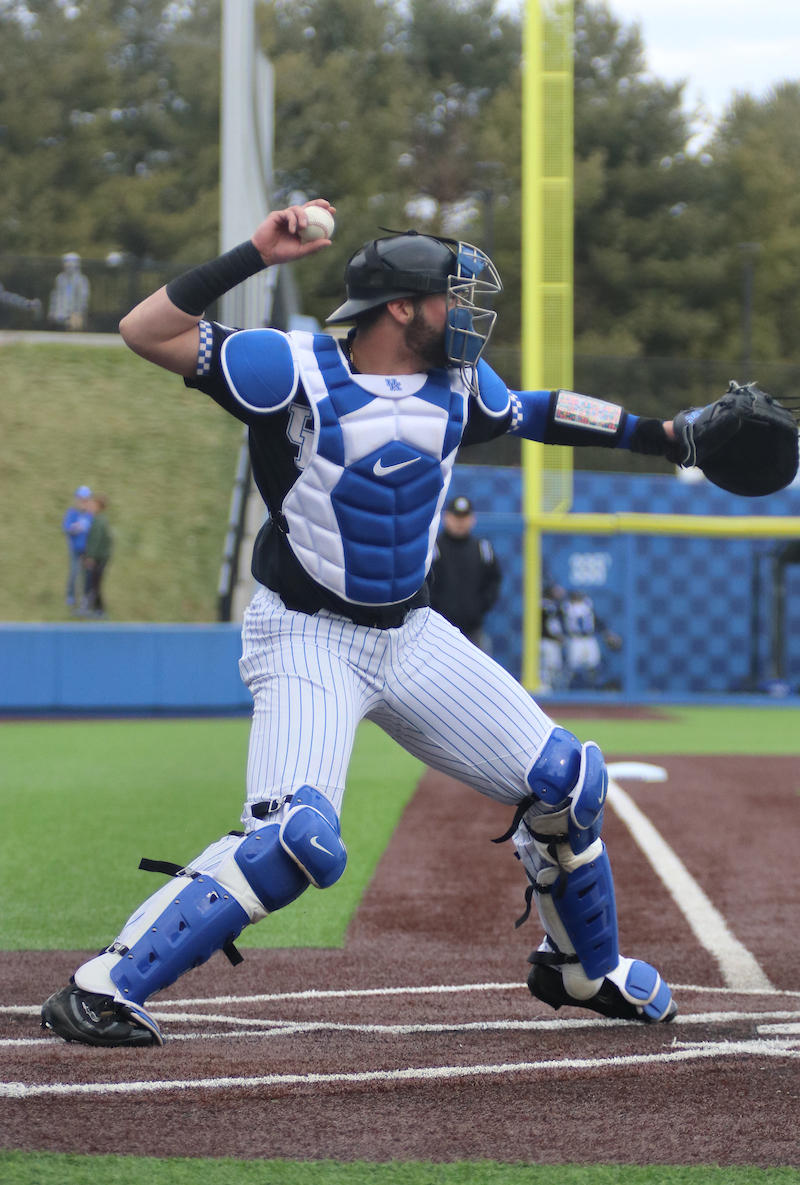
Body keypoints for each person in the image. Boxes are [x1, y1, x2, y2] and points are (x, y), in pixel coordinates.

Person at [42, 200, 689, 1049]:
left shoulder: (459, 385)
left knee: (569, 783)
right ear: (400, 309)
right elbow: (144, 329)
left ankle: (582, 970)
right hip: (308, 635)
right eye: (450, 298)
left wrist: (666, 436)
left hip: (410, 634)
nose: (465, 314)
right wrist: (256, 254)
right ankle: (102, 987)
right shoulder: (292, 368)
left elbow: (541, 410)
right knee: (294, 842)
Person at [428, 494, 502, 650]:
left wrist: (478, 608)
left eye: (465, 516)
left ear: (472, 519)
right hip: (437, 631)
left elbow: (494, 581)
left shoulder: (482, 549)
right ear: (446, 518)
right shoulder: (433, 548)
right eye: (456, 516)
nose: (460, 521)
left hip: (473, 631)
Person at [561, 590, 623, 690]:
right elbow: (562, 621)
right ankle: (564, 689)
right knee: (571, 667)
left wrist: (606, 632)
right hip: (575, 639)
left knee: (594, 665)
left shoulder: (587, 604)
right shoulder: (566, 606)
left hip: (589, 638)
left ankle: (594, 689)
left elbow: (596, 620)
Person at [79, 494, 113, 617]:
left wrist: (91, 557)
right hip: (99, 556)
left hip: (101, 557)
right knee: (95, 583)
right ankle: (97, 609)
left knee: (96, 583)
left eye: (93, 505)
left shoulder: (99, 521)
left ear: (98, 507)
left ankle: (100, 610)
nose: (90, 507)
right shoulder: (97, 519)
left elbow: (96, 540)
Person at [61, 485, 93, 608]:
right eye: (81, 500)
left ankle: (86, 596)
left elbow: (94, 531)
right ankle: (70, 596)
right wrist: (74, 528)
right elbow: (66, 528)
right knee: (74, 572)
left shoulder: (91, 515)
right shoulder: (72, 513)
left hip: (87, 550)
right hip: (75, 549)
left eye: (86, 500)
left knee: (87, 574)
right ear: (77, 500)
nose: (83, 503)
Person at [48, 252, 90, 331]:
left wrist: (79, 313)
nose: (67, 265)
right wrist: (52, 312)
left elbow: (83, 298)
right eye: (65, 262)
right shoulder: (60, 278)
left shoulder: (81, 280)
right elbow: (55, 296)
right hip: (60, 314)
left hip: (74, 315)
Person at [540, 583, 568, 692]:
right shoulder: (548, 606)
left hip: (545, 641)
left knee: (550, 667)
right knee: (550, 667)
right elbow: (551, 624)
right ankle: (546, 689)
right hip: (547, 641)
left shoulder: (549, 605)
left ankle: (547, 688)